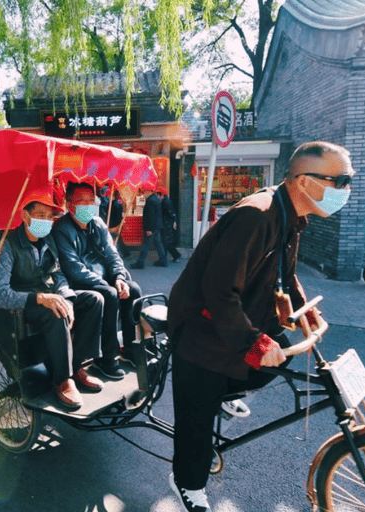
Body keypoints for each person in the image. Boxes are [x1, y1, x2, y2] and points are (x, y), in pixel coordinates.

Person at [166, 141, 353, 512]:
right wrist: (252, 343)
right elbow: (219, 293)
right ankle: (187, 483)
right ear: (304, 181)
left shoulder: (291, 214)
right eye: (340, 181)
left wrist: (302, 310)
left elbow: (286, 273)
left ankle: (225, 388)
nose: (345, 192)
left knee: (278, 353)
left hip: (237, 320)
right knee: (197, 418)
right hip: (202, 331)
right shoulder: (256, 215)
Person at [0, 190, 105, 410]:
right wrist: (40, 298)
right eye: (40, 215)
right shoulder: (9, 244)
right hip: (26, 302)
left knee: (95, 300)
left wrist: (67, 299)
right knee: (56, 312)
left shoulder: (49, 239)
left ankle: (76, 366)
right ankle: (62, 379)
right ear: (25, 216)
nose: (45, 221)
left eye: (49, 216)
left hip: (51, 295)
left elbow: (58, 274)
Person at [52, 182, 142, 380]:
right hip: (78, 282)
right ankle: (107, 357)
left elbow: (112, 254)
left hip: (102, 277)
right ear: (69, 204)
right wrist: (108, 284)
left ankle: (129, 346)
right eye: (81, 201)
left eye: (91, 201)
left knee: (133, 289)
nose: (87, 205)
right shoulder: (61, 229)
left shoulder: (98, 223)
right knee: (109, 294)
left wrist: (119, 277)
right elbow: (73, 268)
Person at [131, 183, 167, 268]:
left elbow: (150, 216)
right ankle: (163, 260)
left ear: (148, 191)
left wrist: (148, 229)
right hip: (157, 227)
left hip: (152, 227)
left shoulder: (150, 201)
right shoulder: (156, 199)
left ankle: (140, 263)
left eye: (144, 191)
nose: (143, 193)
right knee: (158, 244)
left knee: (145, 245)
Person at [98, 186, 129, 258]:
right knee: (117, 240)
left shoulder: (116, 204)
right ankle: (125, 253)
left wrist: (116, 227)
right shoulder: (114, 202)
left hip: (114, 225)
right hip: (113, 225)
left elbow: (117, 217)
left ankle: (113, 254)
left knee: (112, 240)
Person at [156, 187, 181, 263]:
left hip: (167, 225)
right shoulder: (165, 201)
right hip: (167, 224)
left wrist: (174, 221)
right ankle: (165, 258)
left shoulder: (165, 202)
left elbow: (171, 213)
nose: (157, 196)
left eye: (158, 194)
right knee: (166, 242)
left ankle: (175, 255)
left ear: (162, 195)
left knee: (166, 242)